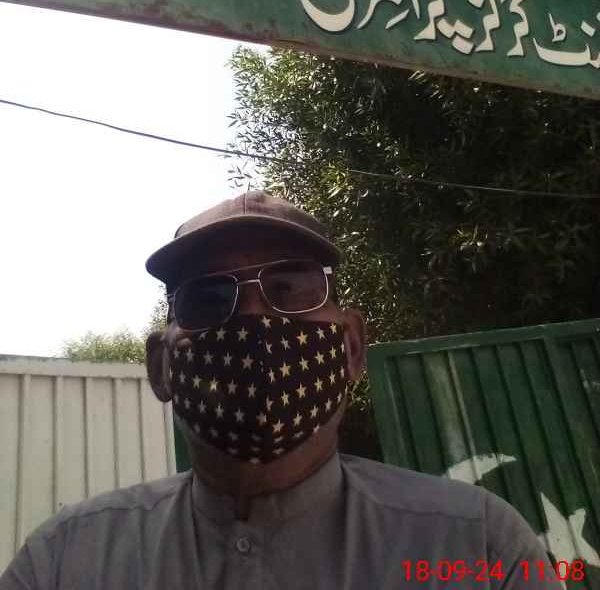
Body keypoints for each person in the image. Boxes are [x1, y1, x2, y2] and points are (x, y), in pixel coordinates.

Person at [0, 191, 561, 589]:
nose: (255, 320)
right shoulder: (62, 562)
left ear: (353, 347)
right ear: (161, 367)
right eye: (208, 298)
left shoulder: (482, 547)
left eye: (292, 287)